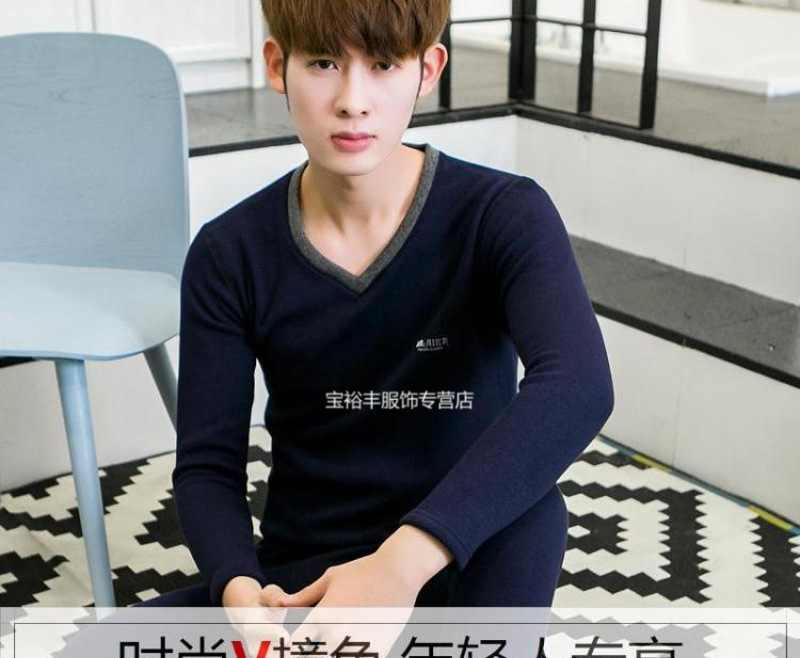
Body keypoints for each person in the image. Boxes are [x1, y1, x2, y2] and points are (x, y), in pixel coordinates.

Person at [139, 0, 614, 616]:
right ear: (278, 65)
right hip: (311, 572)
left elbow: (579, 385)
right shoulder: (229, 253)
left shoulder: (502, 214)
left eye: (385, 65)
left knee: (532, 513)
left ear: (428, 69)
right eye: (324, 63)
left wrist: (399, 566)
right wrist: (240, 593)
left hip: (461, 551)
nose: (352, 101)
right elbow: (207, 466)